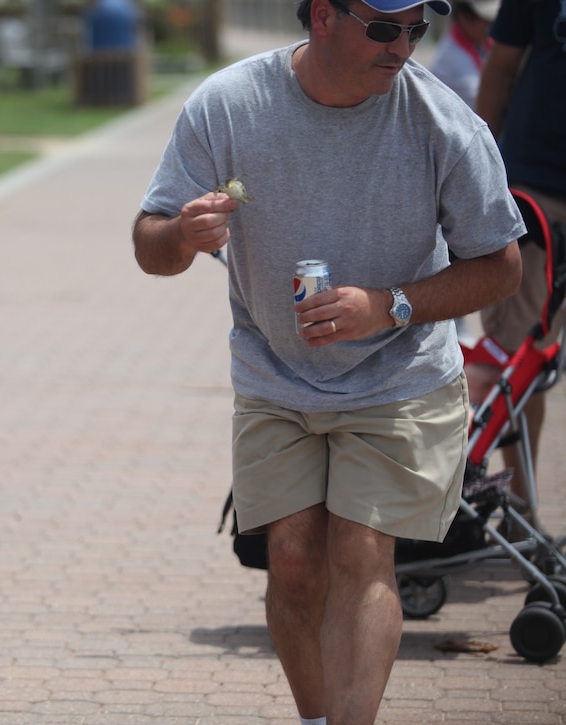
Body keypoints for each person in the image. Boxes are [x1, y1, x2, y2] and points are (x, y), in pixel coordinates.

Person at [132, 1, 523, 723]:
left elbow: (502, 266)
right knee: (292, 560)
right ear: (320, 15)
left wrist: (389, 305)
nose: (402, 46)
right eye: (383, 27)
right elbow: (149, 244)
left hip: (399, 376)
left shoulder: (444, 123)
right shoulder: (230, 104)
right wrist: (183, 235)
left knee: (360, 548)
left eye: (416, 29)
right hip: (274, 374)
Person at [471, 0, 566, 524]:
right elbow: (502, 64)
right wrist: (481, 168)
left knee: (529, 364)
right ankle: (519, 507)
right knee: (515, 361)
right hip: (536, 188)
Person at [428, 1, 500, 109]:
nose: (492, 25)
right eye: (486, 20)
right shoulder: (453, 59)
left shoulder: (479, 44)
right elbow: (488, 105)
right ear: (464, 16)